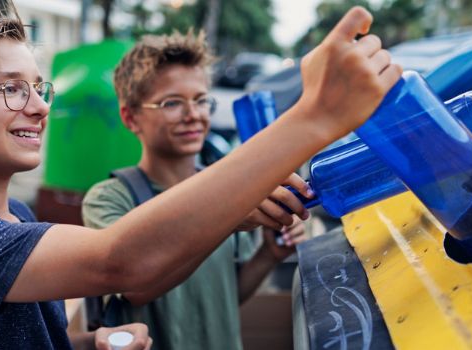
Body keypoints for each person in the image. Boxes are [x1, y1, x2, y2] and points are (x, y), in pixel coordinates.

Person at [0, 5, 401, 350]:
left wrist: (91, 344)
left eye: (39, 89)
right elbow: (120, 262)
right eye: (10, 89)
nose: (38, 108)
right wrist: (313, 117)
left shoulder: (18, 219)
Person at [82, 30, 309, 350]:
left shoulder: (228, 188)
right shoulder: (110, 198)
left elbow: (227, 296)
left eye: (201, 100)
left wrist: (268, 255)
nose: (193, 115)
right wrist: (226, 214)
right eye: (172, 102)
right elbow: (135, 287)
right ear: (131, 117)